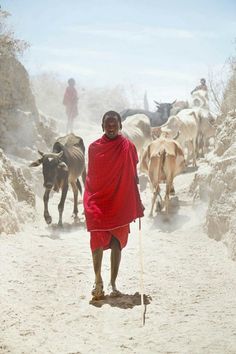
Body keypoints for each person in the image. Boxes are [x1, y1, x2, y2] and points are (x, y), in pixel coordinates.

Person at [83, 110, 144, 300]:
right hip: (98, 201)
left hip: (120, 200)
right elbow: (93, 177)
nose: (111, 128)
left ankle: (113, 283)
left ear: (120, 126)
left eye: (114, 125)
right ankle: (98, 280)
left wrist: (137, 201)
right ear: (102, 126)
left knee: (117, 241)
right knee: (97, 240)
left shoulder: (129, 147)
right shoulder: (94, 148)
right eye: (107, 125)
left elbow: (133, 175)